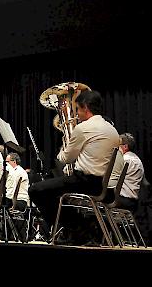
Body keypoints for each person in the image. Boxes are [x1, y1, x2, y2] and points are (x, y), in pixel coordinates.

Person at [28, 90, 120, 238]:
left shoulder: (83, 128)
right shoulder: (113, 131)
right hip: (104, 186)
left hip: (84, 182)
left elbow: (65, 159)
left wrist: (65, 146)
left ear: (85, 107)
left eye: (77, 108)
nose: (76, 113)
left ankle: (77, 227)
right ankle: (78, 229)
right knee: (53, 192)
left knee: (35, 190)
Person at [117, 133, 145, 211]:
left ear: (125, 147)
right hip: (132, 201)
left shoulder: (125, 159)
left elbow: (112, 177)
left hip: (121, 199)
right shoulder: (138, 160)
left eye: (118, 145)